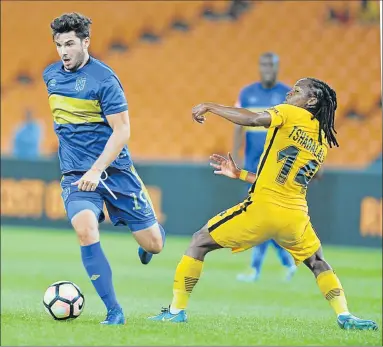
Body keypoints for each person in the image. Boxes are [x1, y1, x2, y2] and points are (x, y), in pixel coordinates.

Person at [148, 78, 378, 331]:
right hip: (295, 216)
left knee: (199, 241)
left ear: (311, 101)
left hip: (264, 208)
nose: (291, 92)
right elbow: (284, 178)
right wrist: (240, 175)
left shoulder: (291, 113)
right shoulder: (322, 138)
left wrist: (211, 106)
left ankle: (176, 311)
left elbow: (253, 119)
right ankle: (344, 315)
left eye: (298, 90)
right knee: (318, 262)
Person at [43, 12, 166, 325]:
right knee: (85, 229)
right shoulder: (51, 77)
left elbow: (122, 130)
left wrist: (97, 169)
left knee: (155, 244)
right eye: (59, 44)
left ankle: (150, 244)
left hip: (115, 172)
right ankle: (114, 312)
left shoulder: (104, 80)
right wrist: (84, 170)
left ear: (86, 42)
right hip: (75, 175)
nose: (64, 51)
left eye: (70, 43)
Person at [233, 52, 296, 282]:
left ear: (277, 67)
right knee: (264, 217)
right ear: (259, 67)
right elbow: (239, 123)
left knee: (263, 216)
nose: (267, 68)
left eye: (271, 64)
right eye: (264, 64)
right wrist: (236, 153)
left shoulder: (288, 94)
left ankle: (256, 268)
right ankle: (286, 262)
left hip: (277, 167)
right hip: (252, 165)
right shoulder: (247, 93)